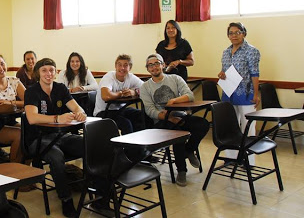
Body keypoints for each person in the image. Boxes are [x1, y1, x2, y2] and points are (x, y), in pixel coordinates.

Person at [24, 58, 87, 217]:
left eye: (51, 70)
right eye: (44, 70)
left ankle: (97, 187)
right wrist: (57, 119)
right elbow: (32, 118)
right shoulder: (31, 91)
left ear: (56, 72)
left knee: (89, 144)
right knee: (56, 156)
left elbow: (77, 108)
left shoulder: (60, 88)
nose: (48, 73)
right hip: (37, 140)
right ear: (38, 73)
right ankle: (66, 199)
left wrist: (80, 114)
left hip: (60, 136)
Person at [140, 53, 209, 187]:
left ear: (163, 65)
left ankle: (189, 149)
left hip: (181, 115)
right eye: (150, 65)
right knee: (179, 134)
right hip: (162, 121)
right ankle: (181, 170)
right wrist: (169, 117)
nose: (154, 67)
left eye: (157, 63)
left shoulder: (175, 78)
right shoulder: (145, 87)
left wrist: (174, 101)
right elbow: (150, 110)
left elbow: (189, 96)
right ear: (147, 69)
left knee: (203, 124)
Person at [218, 22, 260, 164]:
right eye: (231, 33)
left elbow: (255, 74)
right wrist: (221, 74)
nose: (234, 35)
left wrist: (255, 94)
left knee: (248, 126)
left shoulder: (251, 50)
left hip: (246, 93)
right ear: (228, 35)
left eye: (238, 32)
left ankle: (248, 159)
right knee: (230, 126)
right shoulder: (225, 52)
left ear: (244, 33)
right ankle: (231, 158)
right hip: (229, 93)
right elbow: (224, 71)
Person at [93, 54, 144, 134]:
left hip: (120, 110)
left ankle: (138, 143)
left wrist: (134, 92)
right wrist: (121, 94)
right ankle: (127, 146)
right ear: (115, 66)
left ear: (130, 68)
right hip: (104, 112)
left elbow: (146, 89)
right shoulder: (109, 77)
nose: (122, 68)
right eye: (119, 65)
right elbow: (106, 96)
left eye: (125, 65)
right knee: (126, 123)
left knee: (141, 115)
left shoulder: (130, 77)